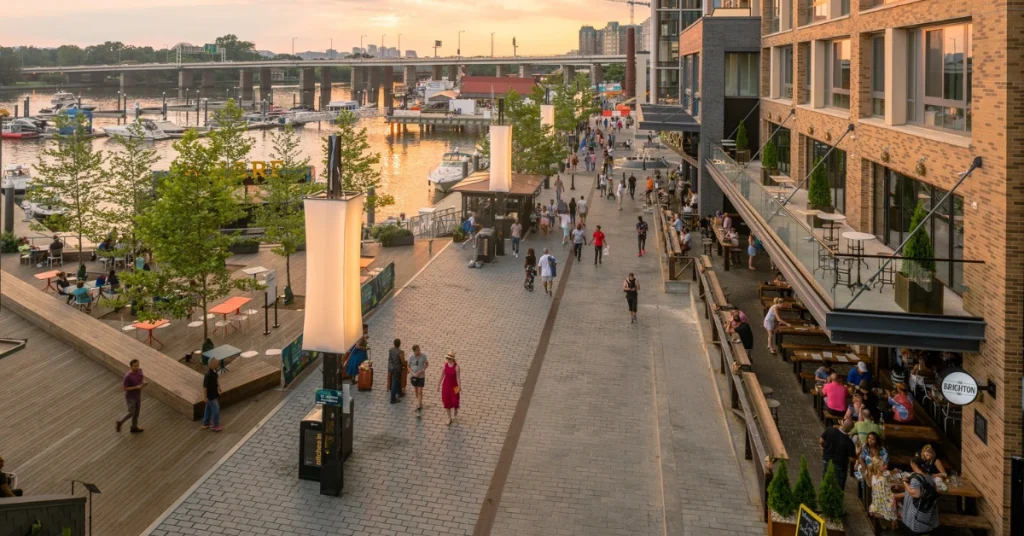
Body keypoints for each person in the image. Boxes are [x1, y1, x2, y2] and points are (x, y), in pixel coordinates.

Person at [819, 419, 856, 490]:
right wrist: (858, 453)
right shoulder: (849, 442)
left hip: (827, 461)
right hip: (840, 466)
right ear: (850, 430)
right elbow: (852, 459)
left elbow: (821, 441)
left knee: (826, 484)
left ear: (842, 423)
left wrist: (822, 448)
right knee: (838, 488)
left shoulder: (829, 430)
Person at [116, 359, 147, 433]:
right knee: (131, 412)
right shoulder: (128, 376)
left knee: (136, 413)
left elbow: (142, 378)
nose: (137, 367)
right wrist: (136, 387)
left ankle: (134, 427)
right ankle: (120, 422)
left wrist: (144, 382)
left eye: (138, 365)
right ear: (131, 366)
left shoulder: (140, 371)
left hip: (138, 396)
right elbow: (124, 388)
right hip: (130, 397)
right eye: (135, 366)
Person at [865, 456, 898, 524]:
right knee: (900, 502)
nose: (886, 466)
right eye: (883, 465)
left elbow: (882, 488)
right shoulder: (882, 479)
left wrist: (890, 484)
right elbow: (889, 496)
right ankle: (894, 521)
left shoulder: (874, 475)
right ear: (878, 468)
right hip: (882, 506)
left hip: (876, 503)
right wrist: (905, 494)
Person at [438, 351, 461, 426]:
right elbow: (441, 376)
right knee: (446, 402)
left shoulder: (456, 367)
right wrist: (438, 384)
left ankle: (455, 408)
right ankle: (449, 418)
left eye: (449, 358)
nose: (448, 359)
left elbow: (458, 378)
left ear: (452, 359)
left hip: (455, 387)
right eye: (447, 358)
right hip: (446, 386)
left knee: (455, 401)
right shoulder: (445, 366)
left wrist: (459, 387)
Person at [202, 358, 223, 431]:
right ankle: (215, 425)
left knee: (208, 408)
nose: (218, 363)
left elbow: (216, 379)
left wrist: (219, 387)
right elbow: (205, 387)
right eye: (216, 362)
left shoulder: (214, 371)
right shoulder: (208, 375)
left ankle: (206, 423)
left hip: (214, 393)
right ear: (211, 364)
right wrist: (205, 397)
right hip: (211, 395)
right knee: (216, 409)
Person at [407, 345, 429, 414]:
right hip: (414, 377)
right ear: (414, 351)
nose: (419, 351)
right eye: (417, 350)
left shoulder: (423, 356)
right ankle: (419, 401)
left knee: (420, 391)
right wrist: (413, 373)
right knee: (416, 390)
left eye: (419, 349)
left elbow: (426, 364)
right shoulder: (411, 357)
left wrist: (422, 370)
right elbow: (408, 366)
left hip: (421, 376)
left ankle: (419, 405)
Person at [388, 339, 405, 404]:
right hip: (397, 369)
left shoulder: (391, 350)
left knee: (397, 380)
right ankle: (393, 399)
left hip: (391, 368)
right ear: (399, 344)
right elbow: (403, 361)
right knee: (394, 382)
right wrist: (403, 365)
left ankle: (400, 392)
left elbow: (390, 359)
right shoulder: (400, 352)